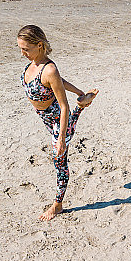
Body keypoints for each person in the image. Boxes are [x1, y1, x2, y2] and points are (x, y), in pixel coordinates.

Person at [17, 25, 99, 221]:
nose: (22, 53)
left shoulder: (49, 68)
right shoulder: (33, 66)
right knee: (71, 123)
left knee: (59, 162)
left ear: (39, 45)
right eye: (20, 48)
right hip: (46, 119)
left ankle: (57, 206)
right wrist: (79, 92)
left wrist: (61, 138)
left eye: (26, 49)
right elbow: (58, 81)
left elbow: (63, 107)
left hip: (57, 122)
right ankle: (84, 102)